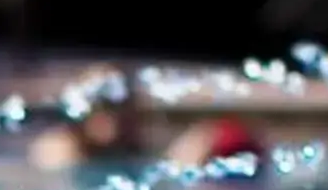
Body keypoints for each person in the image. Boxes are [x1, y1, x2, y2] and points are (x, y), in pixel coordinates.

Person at [30, 69, 270, 173]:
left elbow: (166, 167)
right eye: (108, 106)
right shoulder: (61, 147)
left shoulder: (136, 149)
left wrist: (195, 149)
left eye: (127, 105)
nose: (118, 117)